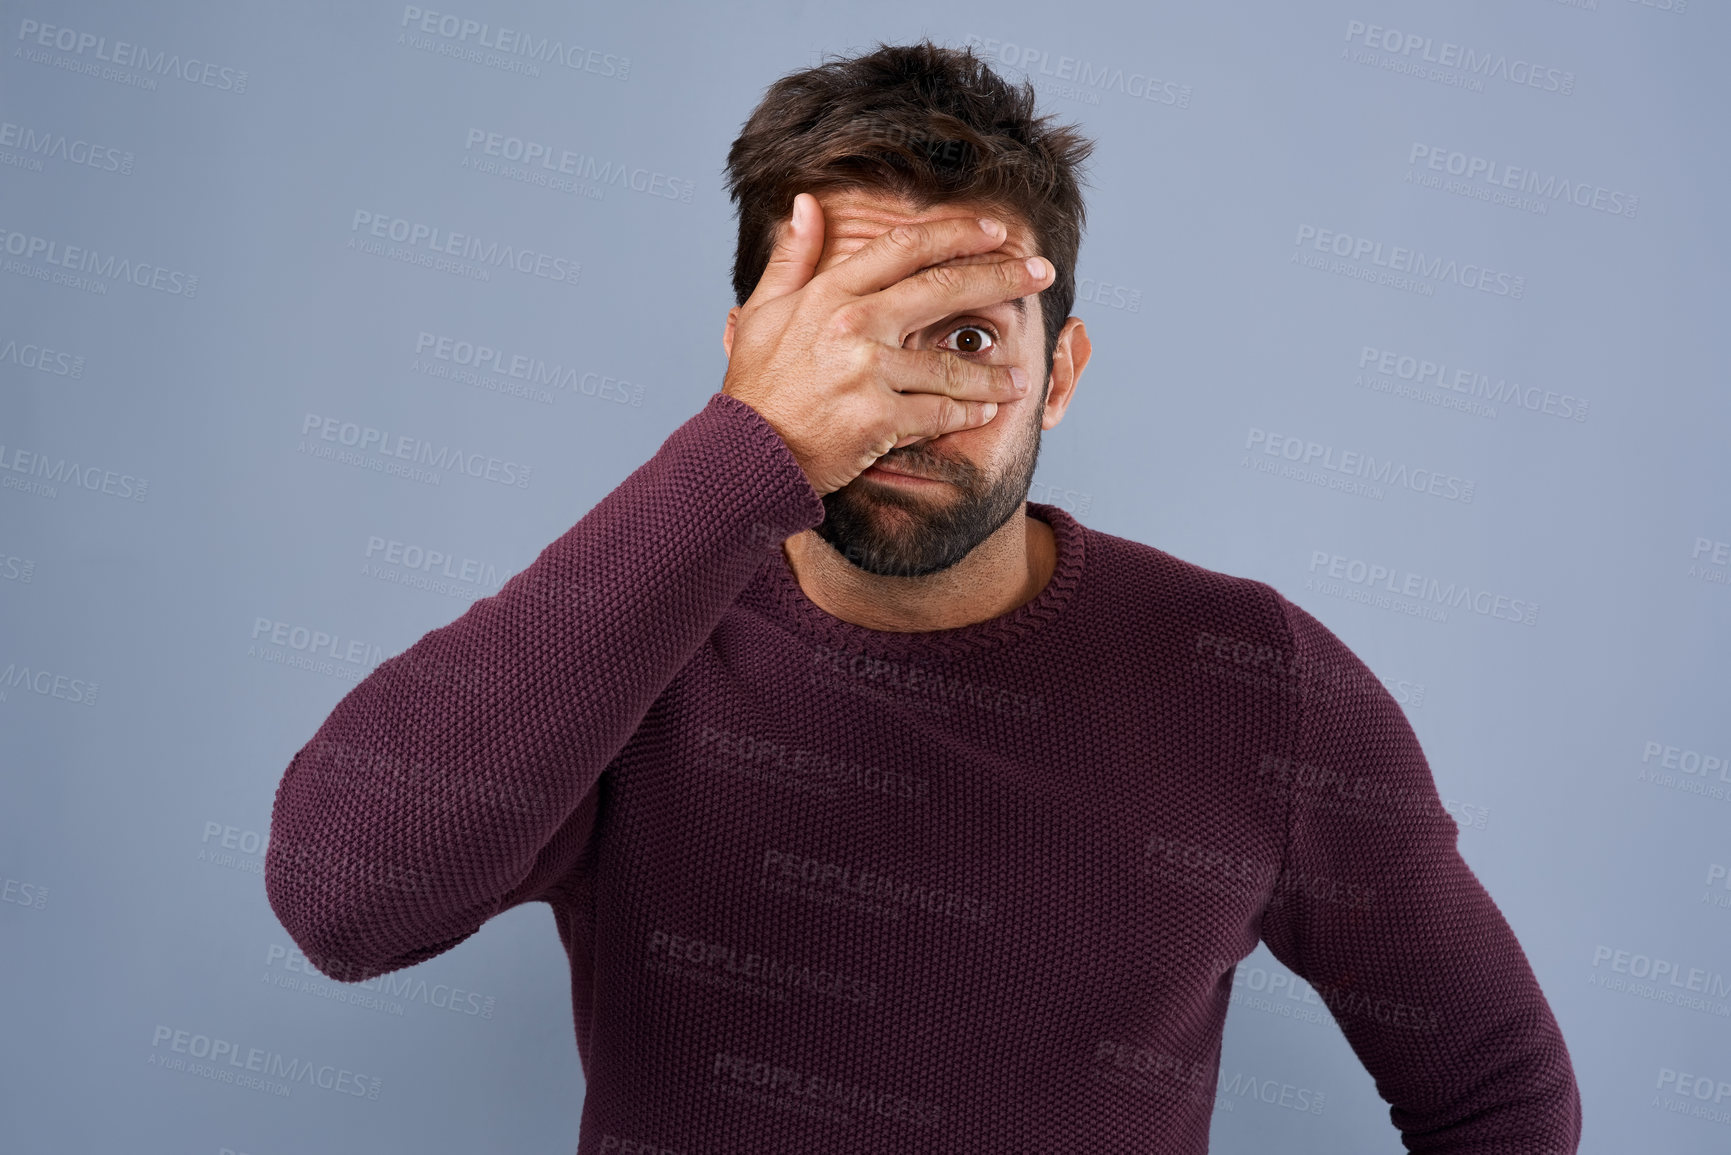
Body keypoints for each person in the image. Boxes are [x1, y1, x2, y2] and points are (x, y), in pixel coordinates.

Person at [265, 39, 1581, 1154]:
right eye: (849, 336)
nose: (903, 408)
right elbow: (344, 906)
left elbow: (1498, 1097)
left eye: (966, 340)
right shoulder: (626, 637)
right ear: (749, 357)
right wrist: (740, 459)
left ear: (1057, 375)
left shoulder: (1253, 679)